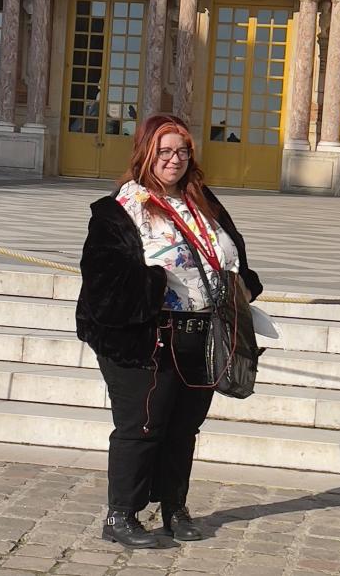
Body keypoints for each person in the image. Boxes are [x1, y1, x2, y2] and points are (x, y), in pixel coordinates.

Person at [75, 114, 263, 548]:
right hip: (145, 336)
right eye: (164, 151)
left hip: (202, 331)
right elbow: (102, 280)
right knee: (142, 425)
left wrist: (241, 284)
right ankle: (120, 515)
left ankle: (174, 507)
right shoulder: (120, 209)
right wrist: (156, 283)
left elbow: (231, 251)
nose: (174, 160)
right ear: (146, 154)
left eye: (181, 151)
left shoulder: (203, 201)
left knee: (184, 426)